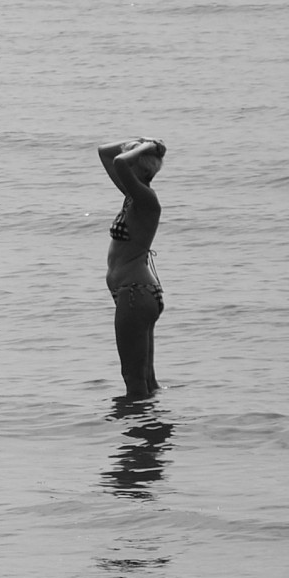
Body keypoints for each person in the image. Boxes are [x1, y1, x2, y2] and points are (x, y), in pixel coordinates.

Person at [96, 137, 168, 401]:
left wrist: (146, 148)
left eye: (132, 156)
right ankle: (152, 430)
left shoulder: (146, 199)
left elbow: (118, 161)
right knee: (146, 379)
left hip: (135, 293)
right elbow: (105, 154)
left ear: (139, 166)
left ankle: (138, 437)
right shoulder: (132, 196)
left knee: (134, 380)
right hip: (135, 293)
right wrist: (141, 141)